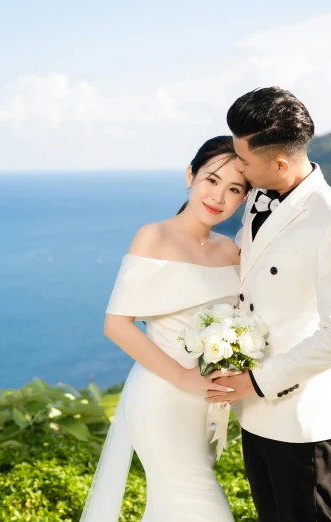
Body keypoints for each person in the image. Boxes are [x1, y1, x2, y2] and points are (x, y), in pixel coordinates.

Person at [207, 87, 331, 522]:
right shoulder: (258, 197)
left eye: (243, 159)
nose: (235, 166)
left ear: (280, 163)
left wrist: (256, 382)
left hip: (299, 416)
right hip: (255, 412)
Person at [80, 136, 250, 521]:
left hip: (207, 403)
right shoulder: (153, 236)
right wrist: (183, 377)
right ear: (190, 175)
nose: (219, 196)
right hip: (161, 397)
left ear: (244, 197)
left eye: (234, 189)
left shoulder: (232, 251)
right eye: (211, 180)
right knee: (200, 504)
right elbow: (117, 324)